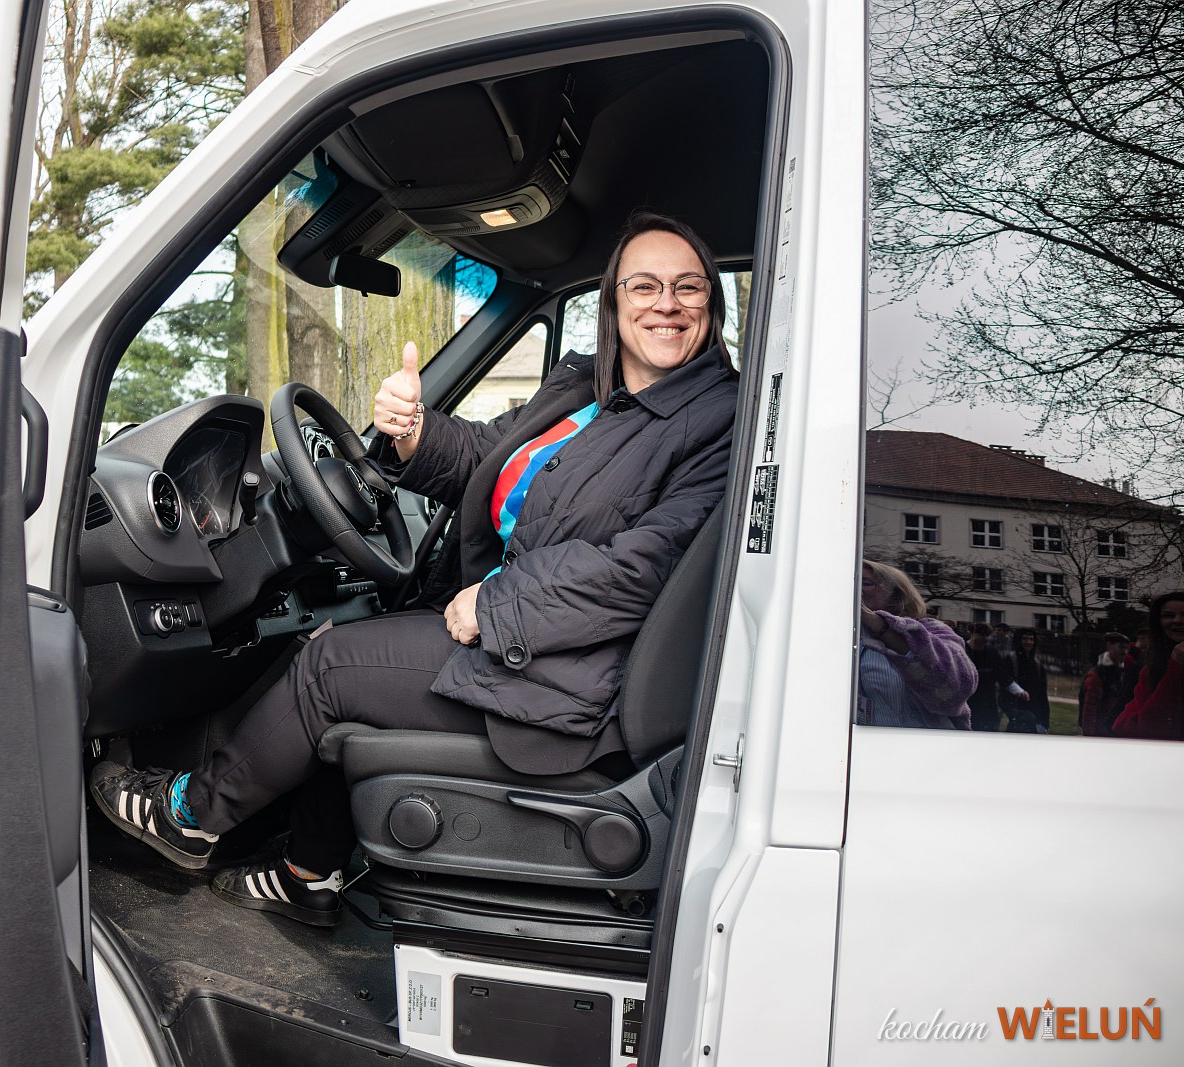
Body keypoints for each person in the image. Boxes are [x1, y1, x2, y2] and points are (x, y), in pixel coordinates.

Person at [90, 210, 740, 926]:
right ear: (614, 300)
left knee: (328, 668)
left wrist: (496, 604)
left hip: (565, 673)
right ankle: (310, 873)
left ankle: (189, 815)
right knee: (343, 648)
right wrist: (413, 431)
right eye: (645, 286)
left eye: (687, 287)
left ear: (710, 302)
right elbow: (486, 453)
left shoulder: (715, 418)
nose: (666, 304)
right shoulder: (586, 389)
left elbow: (645, 565)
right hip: (526, 643)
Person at [856, 561, 974, 728]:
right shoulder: (847, 637)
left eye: (866, 583)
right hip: (866, 742)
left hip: (927, 742)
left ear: (896, 595)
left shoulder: (933, 630)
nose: (855, 589)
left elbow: (956, 688)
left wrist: (876, 623)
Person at [1111, 591, 1184, 741]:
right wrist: (1175, 669)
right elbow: (1129, 726)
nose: (1178, 620)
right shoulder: (1150, 668)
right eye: (1168, 615)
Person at [964, 624, 1023, 731]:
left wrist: (1018, 691)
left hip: (987, 701)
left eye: (987, 635)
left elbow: (1002, 675)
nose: (985, 638)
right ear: (971, 633)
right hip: (967, 701)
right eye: (981, 635)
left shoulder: (991, 652)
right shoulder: (963, 651)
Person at [1078, 632, 1130, 737]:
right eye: (1121, 647)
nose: (1124, 652)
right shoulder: (1097, 675)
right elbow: (1089, 710)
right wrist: (1090, 736)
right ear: (1109, 646)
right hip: (1101, 733)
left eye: (1126, 648)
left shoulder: (1123, 671)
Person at [1005, 628, 1049, 733]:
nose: (1028, 642)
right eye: (1024, 639)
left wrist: (1045, 721)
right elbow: (1005, 682)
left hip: (1034, 708)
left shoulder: (1037, 664)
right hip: (1016, 708)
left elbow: (1042, 693)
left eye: (1031, 639)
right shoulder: (1010, 660)